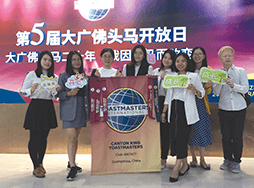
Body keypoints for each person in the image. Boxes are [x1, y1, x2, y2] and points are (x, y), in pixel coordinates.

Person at [161, 52, 205, 183]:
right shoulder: (171, 76)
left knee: (182, 137)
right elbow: (168, 96)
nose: (180, 64)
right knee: (175, 137)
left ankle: (176, 166)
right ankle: (185, 165)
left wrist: (194, 90)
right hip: (173, 109)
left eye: (183, 61)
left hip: (186, 110)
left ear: (187, 62)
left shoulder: (193, 76)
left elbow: (201, 93)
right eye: (178, 61)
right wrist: (164, 112)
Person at [20, 51, 60, 178]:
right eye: (45, 59)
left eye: (49, 60)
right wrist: (30, 89)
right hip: (36, 107)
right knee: (34, 137)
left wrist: (56, 92)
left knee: (44, 138)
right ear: (40, 61)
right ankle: (35, 166)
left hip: (48, 107)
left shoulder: (54, 77)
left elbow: (55, 96)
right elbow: (22, 91)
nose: (47, 62)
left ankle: (41, 163)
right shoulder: (32, 75)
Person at [213, 46, 249, 173]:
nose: (227, 58)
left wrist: (233, 85)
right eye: (224, 56)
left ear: (233, 57)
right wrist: (216, 82)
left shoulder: (241, 71)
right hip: (224, 108)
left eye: (229, 55)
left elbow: (245, 88)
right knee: (226, 136)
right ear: (220, 58)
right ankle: (227, 159)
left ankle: (236, 161)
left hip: (239, 108)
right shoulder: (218, 73)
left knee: (237, 136)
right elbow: (216, 92)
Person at [57, 51, 90, 181]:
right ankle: (72, 167)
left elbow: (87, 94)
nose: (77, 62)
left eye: (78, 59)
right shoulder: (63, 76)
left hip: (81, 110)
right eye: (73, 59)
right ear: (69, 62)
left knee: (76, 137)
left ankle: (72, 162)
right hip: (68, 111)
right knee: (72, 137)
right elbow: (58, 95)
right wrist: (69, 93)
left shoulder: (85, 77)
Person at [188, 47, 213, 170]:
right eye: (194, 54)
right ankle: (193, 158)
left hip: (201, 103)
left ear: (204, 56)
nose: (197, 56)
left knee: (202, 130)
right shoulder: (188, 69)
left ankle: (203, 159)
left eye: (199, 54)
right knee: (190, 130)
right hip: (189, 103)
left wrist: (208, 86)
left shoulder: (208, 71)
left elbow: (208, 91)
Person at [153, 49, 176, 169]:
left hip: (166, 104)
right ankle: (153, 156)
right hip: (154, 103)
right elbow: (151, 87)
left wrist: (164, 111)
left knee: (164, 133)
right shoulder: (155, 71)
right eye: (165, 57)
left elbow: (169, 93)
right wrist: (160, 78)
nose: (167, 60)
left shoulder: (173, 74)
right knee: (153, 133)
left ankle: (163, 158)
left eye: (170, 58)